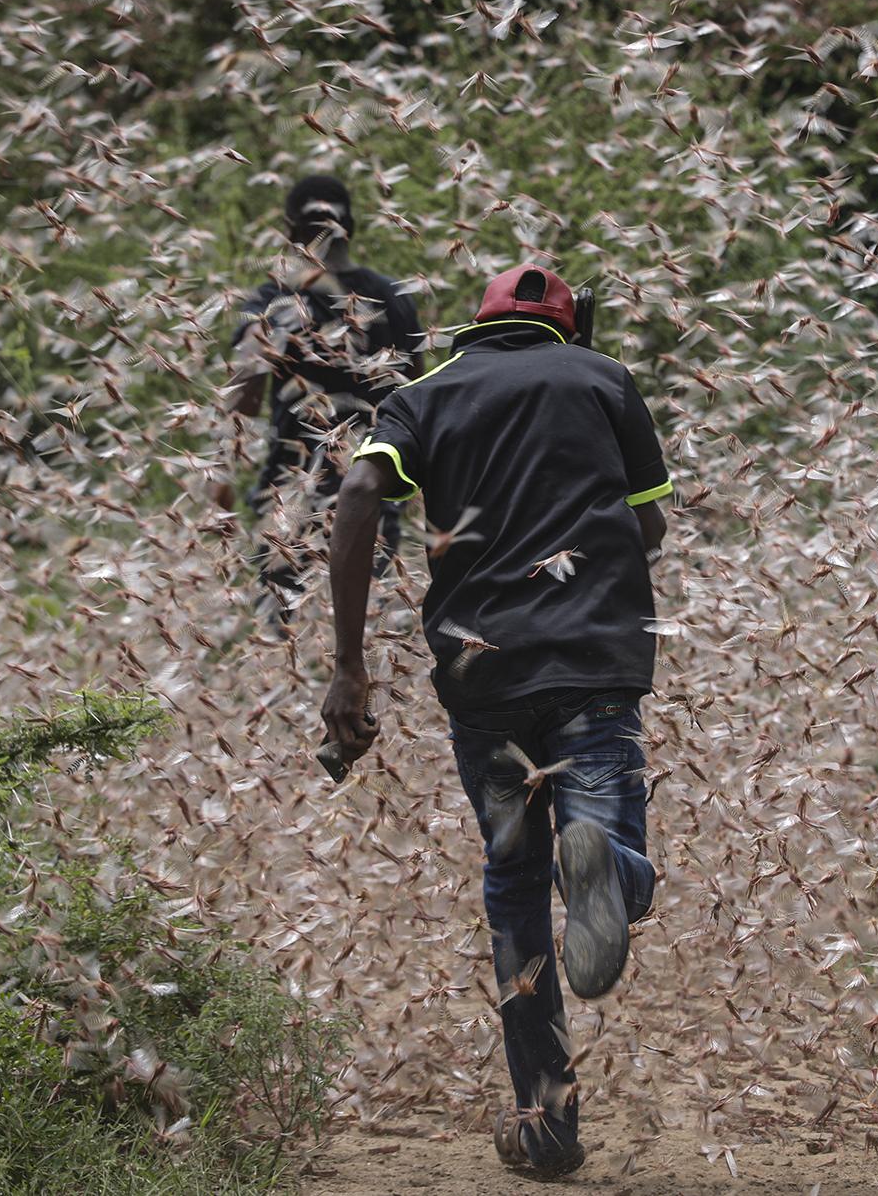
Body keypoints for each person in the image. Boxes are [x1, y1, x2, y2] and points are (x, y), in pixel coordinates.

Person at [318, 264, 673, 1179]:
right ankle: (607, 868)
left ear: (476, 327)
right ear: (565, 325)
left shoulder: (425, 395)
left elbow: (357, 498)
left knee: (513, 884)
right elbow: (651, 526)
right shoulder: (602, 379)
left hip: (485, 679)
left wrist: (350, 667)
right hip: (596, 663)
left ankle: (547, 1123)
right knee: (606, 841)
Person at [219, 175, 422, 614]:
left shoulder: (274, 300)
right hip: (373, 489)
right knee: (362, 626)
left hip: (289, 495)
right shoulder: (395, 298)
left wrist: (221, 489)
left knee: (283, 635)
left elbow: (244, 404)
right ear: (353, 227)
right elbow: (419, 402)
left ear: (290, 232)